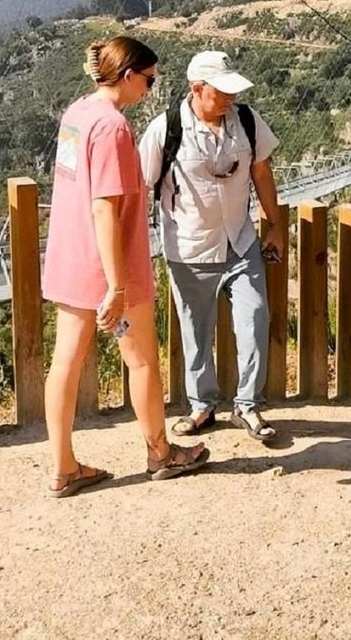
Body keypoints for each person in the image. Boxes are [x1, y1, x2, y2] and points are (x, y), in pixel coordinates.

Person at [43, 37, 208, 496]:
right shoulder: (114, 128)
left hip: (71, 260)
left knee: (66, 365)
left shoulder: (77, 113)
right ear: (129, 75)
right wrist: (116, 287)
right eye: (150, 80)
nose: (151, 90)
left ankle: (62, 468)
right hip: (112, 269)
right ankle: (161, 453)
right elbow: (104, 208)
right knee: (140, 362)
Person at [139, 50, 283, 443]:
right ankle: (202, 406)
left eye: (231, 92)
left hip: (240, 240)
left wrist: (274, 225)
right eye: (220, 93)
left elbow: (262, 172)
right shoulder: (166, 129)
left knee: (255, 319)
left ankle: (248, 406)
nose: (228, 100)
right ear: (196, 88)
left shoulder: (247, 122)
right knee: (195, 330)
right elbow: (141, 185)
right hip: (189, 247)